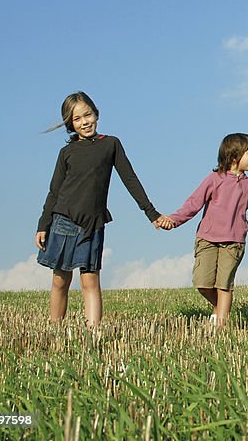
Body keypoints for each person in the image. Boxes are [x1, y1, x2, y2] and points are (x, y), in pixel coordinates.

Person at [36, 91, 168, 326]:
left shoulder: (111, 144)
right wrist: (43, 225)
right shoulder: (66, 153)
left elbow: (130, 179)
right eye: (77, 119)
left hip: (92, 223)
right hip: (63, 221)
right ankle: (54, 330)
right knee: (60, 280)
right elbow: (54, 191)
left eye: (88, 115)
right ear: (70, 124)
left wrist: (152, 213)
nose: (85, 122)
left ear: (96, 113)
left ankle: (93, 332)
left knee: (90, 281)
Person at [162, 133, 248, 327]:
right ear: (234, 156)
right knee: (203, 283)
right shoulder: (214, 179)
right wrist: (173, 220)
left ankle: (221, 325)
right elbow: (193, 204)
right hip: (207, 239)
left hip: (234, 243)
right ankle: (220, 310)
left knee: (224, 284)